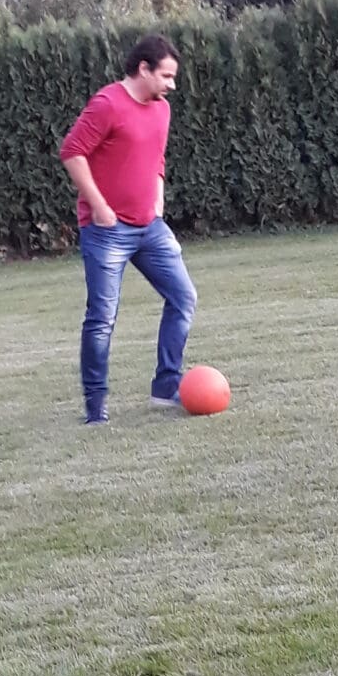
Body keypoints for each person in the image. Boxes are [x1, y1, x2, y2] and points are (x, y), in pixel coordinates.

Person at [58, 34, 196, 425]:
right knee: (102, 318)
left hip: (150, 227)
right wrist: (99, 206)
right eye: (166, 76)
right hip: (107, 230)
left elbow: (156, 157)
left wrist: (158, 199)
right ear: (143, 69)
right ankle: (95, 407)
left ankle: (166, 386)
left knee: (183, 298)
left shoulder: (162, 109)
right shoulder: (108, 104)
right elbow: (72, 152)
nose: (172, 84)